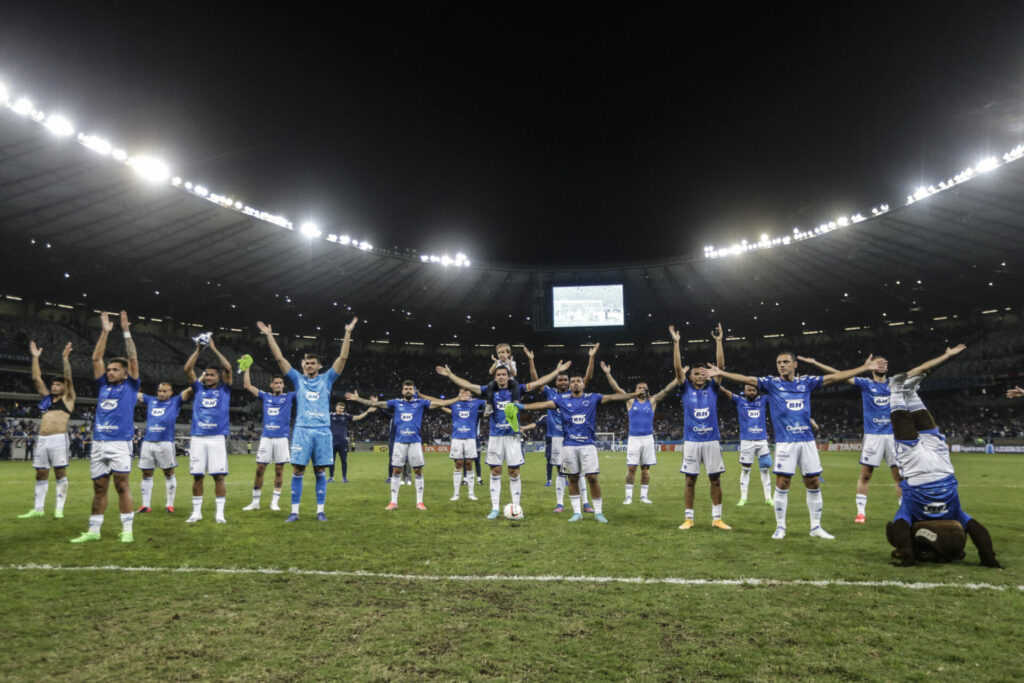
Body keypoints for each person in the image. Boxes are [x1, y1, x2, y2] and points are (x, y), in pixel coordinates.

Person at [704, 352, 884, 539]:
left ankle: (816, 527)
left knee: (813, 482)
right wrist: (722, 374)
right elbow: (747, 379)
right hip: (785, 443)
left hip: (806, 441)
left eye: (786, 362)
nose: (782, 365)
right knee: (783, 482)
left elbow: (835, 377)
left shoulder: (806, 382)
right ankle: (780, 527)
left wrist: (864, 368)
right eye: (779, 362)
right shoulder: (772, 384)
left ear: (795, 365)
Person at [885, 346, 999, 568]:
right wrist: (989, 559)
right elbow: (899, 525)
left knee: (930, 434)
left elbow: (975, 527)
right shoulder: (912, 513)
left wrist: (988, 557)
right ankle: (899, 392)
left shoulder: (956, 514)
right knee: (906, 436)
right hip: (918, 477)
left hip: (945, 473)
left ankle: (909, 393)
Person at [436, 359, 570, 519]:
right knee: (495, 471)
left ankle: (516, 505)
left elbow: (538, 383)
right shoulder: (489, 391)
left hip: (512, 437)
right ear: (495, 377)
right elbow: (469, 385)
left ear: (508, 377)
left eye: (503, 375)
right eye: (498, 375)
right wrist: (451, 375)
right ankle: (494, 508)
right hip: (495, 438)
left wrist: (556, 371)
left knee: (514, 471)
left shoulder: (518, 389)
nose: (501, 377)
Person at [258, 317, 357, 523]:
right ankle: (294, 511)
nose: (309, 365)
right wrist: (269, 336)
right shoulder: (297, 379)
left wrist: (347, 333)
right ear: (303, 366)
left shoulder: (327, 378)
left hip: (322, 430)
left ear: (319, 366)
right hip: (302, 430)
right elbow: (280, 359)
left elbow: (343, 358)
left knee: (320, 470)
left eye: (313, 363)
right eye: (306, 363)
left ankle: (320, 511)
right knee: (297, 470)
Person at [519, 374, 638, 523]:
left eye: (578, 382)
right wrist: (522, 406)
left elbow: (613, 397)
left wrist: (634, 394)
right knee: (573, 478)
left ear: (583, 385)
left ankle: (599, 512)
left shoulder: (592, 398)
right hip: (569, 445)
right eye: (573, 382)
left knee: (592, 478)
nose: (575, 384)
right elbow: (543, 405)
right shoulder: (562, 400)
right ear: (570, 386)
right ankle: (576, 513)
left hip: (588, 445)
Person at [799, 354, 900, 523]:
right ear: (872, 366)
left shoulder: (893, 384)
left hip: (892, 436)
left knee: (899, 477)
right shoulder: (866, 384)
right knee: (865, 475)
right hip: (873, 436)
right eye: (878, 362)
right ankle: (861, 513)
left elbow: (918, 372)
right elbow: (838, 374)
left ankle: (903, 512)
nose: (882, 365)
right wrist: (816, 362)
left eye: (885, 362)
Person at [71, 311, 140, 543]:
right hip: (99, 442)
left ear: (124, 372)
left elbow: (133, 358)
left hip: (120, 442)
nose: (110, 372)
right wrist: (105, 332)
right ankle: (93, 530)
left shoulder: (130, 385)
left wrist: (125, 331)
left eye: (115, 370)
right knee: (99, 488)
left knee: (122, 486)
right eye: (109, 370)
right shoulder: (103, 386)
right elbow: (95, 360)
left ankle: (127, 530)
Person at [346, 382, 458, 510]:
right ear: (402, 391)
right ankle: (393, 502)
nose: (408, 391)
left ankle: (419, 502)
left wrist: (457, 398)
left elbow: (441, 403)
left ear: (414, 391)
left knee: (418, 470)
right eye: (406, 389)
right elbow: (374, 404)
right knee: (396, 470)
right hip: (399, 442)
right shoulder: (395, 403)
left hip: (415, 442)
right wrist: (358, 399)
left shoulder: (421, 403)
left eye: (411, 389)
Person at [522, 344, 599, 512]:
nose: (563, 382)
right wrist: (531, 361)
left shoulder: (575, 392)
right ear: (556, 381)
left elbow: (588, 377)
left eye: (566, 380)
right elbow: (536, 381)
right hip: (556, 436)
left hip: (573, 437)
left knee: (579, 472)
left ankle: (585, 503)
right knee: (561, 471)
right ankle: (560, 503)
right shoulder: (551, 394)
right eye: (560, 380)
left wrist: (591, 358)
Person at [670, 324, 731, 530]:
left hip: (712, 441)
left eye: (704, 373)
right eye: (697, 373)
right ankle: (689, 519)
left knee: (715, 480)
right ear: (691, 377)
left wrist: (719, 341)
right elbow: (678, 369)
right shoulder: (685, 388)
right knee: (690, 481)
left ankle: (717, 519)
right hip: (692, 442)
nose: (701, 376)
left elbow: (720, 367)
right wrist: (676, 343)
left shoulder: (713, 388)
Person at [601, 360, 677, 505]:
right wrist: (608, 374)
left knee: (646, 470)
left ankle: (644, 496)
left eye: (644, 387)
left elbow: (667, 389)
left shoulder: (652, 401)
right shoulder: (630, 401)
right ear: (636, 389)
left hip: (648, 439)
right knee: (631, 468)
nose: (642, 389)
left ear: (648, 390)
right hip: (634, 439)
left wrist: (679, 376)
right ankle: (628, 496)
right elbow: (617, 389)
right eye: (639, 387)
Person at [19, 340, 74, 519]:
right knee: (41, 473)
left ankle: (59, 508)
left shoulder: (68, 399)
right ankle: (38, 508)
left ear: (64, 387)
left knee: (60, 472)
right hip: (42, 440)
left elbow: (69, 378)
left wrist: (65, 358)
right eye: (54, 385)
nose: (54, 386)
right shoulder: (47, 399)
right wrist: (35, 358)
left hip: (59, 439)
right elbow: (36, 378)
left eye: (58, 385)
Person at [183, 336, 234, 524]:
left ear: (218, 377)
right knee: (197, 476)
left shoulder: (225, 390)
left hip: (217, 438)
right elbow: (187, 369)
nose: (209, 377)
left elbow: (228, 368)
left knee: (218, 476)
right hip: (198, 437)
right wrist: (198, 350)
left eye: (213, 374)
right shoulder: (198, 388)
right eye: (207, 374)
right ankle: (196, 512)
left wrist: (213, 348)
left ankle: (219, 513)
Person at [240, 371, 295, 512]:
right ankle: (255, 502)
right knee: (259, 470)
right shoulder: (266, 396)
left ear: (283, 385)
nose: (278, 385)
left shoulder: (289, 397)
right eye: (275, 383)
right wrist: (247, 369)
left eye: (280, 383)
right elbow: (247, 385)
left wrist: (305, 370)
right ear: (271, 385)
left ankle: (274, 502)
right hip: (266, 438)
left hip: (282, 438)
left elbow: (304, 387)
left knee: (279, 470)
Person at [135, 381, 193, 513]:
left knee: (168, 472)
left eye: (164, 391)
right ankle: (145, 505)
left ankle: (169, 505)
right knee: (146, 473)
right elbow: (134, 394)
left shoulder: (175, 401)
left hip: (165, 442)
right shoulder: (151, 400)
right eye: (160, 391)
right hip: (148, 442)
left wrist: (201, 378)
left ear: (171, 392)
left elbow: (190, 390)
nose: (161, 393)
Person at [726, 384, 773, 506]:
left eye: (753, 390)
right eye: (749, 390)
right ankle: (743, 498)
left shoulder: (763, 400)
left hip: (762, 440)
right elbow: (728, 393)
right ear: (745, 391)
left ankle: (768, 498)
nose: (751, 392)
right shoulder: (740, 401)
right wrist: (716, 383)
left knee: (765, 469)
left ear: (757, 391)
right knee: (746, 470)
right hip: (747, 441)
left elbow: (777, 393)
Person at [442, 388, 487, 501]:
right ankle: (456, 494)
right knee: (458, 464)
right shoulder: (454, 403)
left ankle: (471, 493)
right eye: (461, 392)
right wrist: (423, 396)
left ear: (471, 393)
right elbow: (439, 402)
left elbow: (491, 402)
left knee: (469, 463)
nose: (463, 394)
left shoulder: (476, 402)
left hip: (471, 438)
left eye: (466, 391)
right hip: (457, 438)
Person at [328, 401, 374, 483]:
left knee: (344, 461)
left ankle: (344, 478)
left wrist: (367, 412)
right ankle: (331, 477)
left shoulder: (346, 416)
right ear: (336, 407)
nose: (341, 409)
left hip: (342, 442)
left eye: (343, 408)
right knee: (331, 461)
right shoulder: (330, 415)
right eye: (340, 407)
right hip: (332, 442)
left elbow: (358, 417)